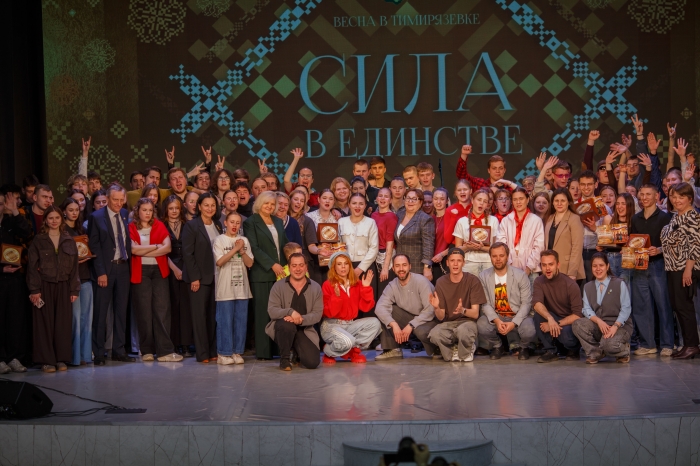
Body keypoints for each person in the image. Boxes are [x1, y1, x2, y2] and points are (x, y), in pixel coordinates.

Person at [27, 206, 80, 372]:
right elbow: (31, 267)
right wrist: (34, 290)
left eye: (57, 217)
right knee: (45, 324)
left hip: (64, 285)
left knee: (62, 324)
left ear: (61, 219)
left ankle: (61, 359)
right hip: (44, 285)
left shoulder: (68, 239)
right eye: (50, 218)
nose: (54, 221)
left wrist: (74, 290)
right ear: (45, 220)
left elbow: (75, 267)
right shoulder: (39, 240)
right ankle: (47, 361)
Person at [88, 185, 134, 365]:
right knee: (101, 312)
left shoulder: (125, 214)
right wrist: (101, 272)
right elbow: (95, 246)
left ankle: (119, 350)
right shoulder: (96, 217)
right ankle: (99, 352)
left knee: (121, 311)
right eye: (115, 199)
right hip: (105, 270)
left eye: (121, 200)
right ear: (107, 199)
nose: (118, 203)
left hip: (123, 268)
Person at [243, 191, 289, 360]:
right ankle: (264, 352)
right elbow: (254, 248)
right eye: (266, 203)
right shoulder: (250, 222)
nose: (269, 206)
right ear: (259, 204)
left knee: (278, 313)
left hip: (280, 273)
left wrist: (291, 258)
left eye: (272, 204)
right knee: (263, 313)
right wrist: (272, 264)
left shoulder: (278, 221)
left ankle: (277, 349)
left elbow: (284, 244)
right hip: (262, 273)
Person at [630, 184, 674, 356]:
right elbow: (634, 243)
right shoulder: (636, 218)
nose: (645, 197)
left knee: (663, 305)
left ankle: (667, 344)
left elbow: (673, 244)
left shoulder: (665, 217)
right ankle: (648, 344)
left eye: (648, 194)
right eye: (642, 194)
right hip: (639, 267)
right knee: (642, 306)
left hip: (658, 265)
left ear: (656, 196)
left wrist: (659, 250)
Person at [661, 183, 700, 360]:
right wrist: (658, 249)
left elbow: (695, 245)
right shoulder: (677, 216)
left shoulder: (693, 217)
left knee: (684, 307)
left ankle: (692, 345)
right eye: (674, 197)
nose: (676, 200)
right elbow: (674, 242)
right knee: (678, 306)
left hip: (685, 268)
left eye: (681, 197)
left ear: (690, 198)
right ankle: (688, 344)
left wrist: (688, 270)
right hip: (673, 267)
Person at [477, 243, 536, 360]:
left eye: (501, 255)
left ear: (507, 256)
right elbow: (485, 303)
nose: (498, 259)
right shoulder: (483, 276)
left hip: (517, 314)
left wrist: (514, 323)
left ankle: (523, 347)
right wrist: (497, 321)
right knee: (481, 324)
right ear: (490, 257)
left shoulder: (520, 275)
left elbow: (526, 303)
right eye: (494, 256)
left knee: (529, 329)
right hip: (498, 315)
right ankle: (497, 346)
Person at [182, 193, 222, 363]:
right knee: (199, 317)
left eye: (213, 205)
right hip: (198, 279)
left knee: (213, 316)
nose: (210, 208)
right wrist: (195, 278)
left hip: (216, 277)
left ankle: (212, 351)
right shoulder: (191, 226)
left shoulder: (218, 225)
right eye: (206, 205)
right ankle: (202, 353)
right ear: (199, 206)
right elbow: (188, 254)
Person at [320, 252, 380, 364]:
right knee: (348, 341)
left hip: (350, 324)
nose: (343, 267)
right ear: (334, 267)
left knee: (375, 323)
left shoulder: (356, 283)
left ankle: (353, 351)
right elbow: (328, 313)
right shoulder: (328, 285)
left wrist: (366, 288)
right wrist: (336, 298)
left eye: (346, 263)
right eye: (339, 264)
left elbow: (365, 308)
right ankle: (329, 351)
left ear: (349, 266)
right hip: (331, 325)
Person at [266, 253, 323, 371]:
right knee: (287, 326)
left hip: (304, 329)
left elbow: (317, 314)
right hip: (283, 327)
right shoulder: (278, 286)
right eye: (294, 265)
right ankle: (285, 359)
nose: (298, 269)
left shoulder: (316, 287)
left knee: (312, 363)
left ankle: (296, 352)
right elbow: (272, 311)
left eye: (301, 265)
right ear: (289, 267)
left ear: (306, 267)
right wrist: (290, 312)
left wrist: (299, 319)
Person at [374, 254, 438, 360]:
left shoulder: (421, 281)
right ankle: (393, 349)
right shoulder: (392, 285)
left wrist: (411, 325)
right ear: (393, 269)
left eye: (404, 265)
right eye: (397, 266)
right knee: (387, 312)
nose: (401, 269)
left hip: (429, 320)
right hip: (411, 317)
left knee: (420, 331)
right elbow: (380, 307)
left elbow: (430, 310)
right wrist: (393, 324)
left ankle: (437, 348)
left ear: (410, 266)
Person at [572, 253, 633, 364]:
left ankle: (624, 351)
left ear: (607, 266)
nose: (598, 269)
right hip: (600, 325)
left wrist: (615, 326)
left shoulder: (619, 284)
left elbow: (626, 308)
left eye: (601, 265)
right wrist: (598, 321)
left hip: (619, 326)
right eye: (595, 266)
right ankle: (596, 353)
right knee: (577, 324)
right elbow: (586, 309)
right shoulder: (587, 286)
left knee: (608, 345)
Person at [428, 248, 486, 362]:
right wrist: (436, 307)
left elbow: (475, 314)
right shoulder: (441, 282)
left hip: (468, 322)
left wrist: (462, 310)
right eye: (452, 260)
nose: (455, 264)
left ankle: (467, 349)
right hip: (449, 323)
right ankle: (454, 349)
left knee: (463, 331)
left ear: (463, 263)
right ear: (447, 263)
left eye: (459, 261)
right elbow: (441, 316)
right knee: (434, 334)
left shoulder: (473, 280)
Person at [213, 211, 254, 365]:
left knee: (240, 322)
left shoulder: (244, 240)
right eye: (232, 222)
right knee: (225, 321)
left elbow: (249, 263)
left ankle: (237, 351)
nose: (235, 225)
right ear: (226, 223)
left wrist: (242, 250)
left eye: (237, 223)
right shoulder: (219, 240)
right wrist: (236, 249)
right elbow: (219, 262)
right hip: (225, 289)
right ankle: (224, 353)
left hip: (242, 288)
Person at [0, 190, 32, 374]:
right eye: (0, 204)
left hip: (14, 278)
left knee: (15, 319)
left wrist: (14, 211)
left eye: (4, 203)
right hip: (0, 277)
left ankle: (14, 357)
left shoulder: (12, 222)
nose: (2, 207)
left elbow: (27, 233)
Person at [532, 250, 583, 363]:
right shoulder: (539, 281)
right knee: (538, 316)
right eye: (544, 265)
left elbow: (578, 315)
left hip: (568, 323)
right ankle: (550, 351)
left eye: (551, 264)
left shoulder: (570, 284)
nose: (547, 268)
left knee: (565, 334)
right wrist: (550, 319)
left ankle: (573, 350)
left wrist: (555, 324)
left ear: (558, 265)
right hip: (553, 318)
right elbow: (537, 304)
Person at [60, 198, 93, 366]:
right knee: (74, 319)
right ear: (64, 212)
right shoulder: (61, 231)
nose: (74, 212)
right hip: (71, 279)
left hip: (85, 275)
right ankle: (73, 356)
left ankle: (85, 355)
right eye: (70, 209)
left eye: (76, 210)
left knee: (86, 319)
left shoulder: (82, 228)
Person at [162, 196, 193, 357]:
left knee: (186, 308)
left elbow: (190, 250)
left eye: (176, 208)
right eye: (171, 208)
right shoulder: (161, 226)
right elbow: (162, 252)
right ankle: (174, 344)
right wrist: (175, 269)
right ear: (166, 210)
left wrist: (185, 270)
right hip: (169, 269)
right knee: (172, 307)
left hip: (186, 268)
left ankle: (186, 344)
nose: (174, 211)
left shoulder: (188, 225)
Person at [496, 187, 544, 286]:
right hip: (508, 269)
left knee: (530, 296)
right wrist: (509, 266)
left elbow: (539, 247)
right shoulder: (506, 221)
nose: (518, 202)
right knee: (508, 296)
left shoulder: (536, 220)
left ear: (527, 200)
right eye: (515, 199)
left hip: (531, 270)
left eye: (521, 199)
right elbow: (501, 245)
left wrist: (528, 268)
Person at [338, 194, 379, 298]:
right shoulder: (341, 222)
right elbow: (338, 246)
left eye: (361, 204)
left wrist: (360, 269)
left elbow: (374, 248)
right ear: (349, 205)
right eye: (354, 203)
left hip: (366, 266)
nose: (357, 206)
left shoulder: (370, 222)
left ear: (365, 206)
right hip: (346, 267)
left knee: (367, 299)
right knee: (349, 300)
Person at [453, 188, 499, 276]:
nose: (481, 203)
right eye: (479, 200)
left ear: (487, 205)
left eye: (485, 201)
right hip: (468, 263)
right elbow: (457, 249)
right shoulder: (462, 221)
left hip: (488, 263)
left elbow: (496, 249)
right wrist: (467, 247)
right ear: (472, 200)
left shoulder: (493, 220)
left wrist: (482, 248)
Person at [543, 188, 585, 281]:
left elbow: (577, 248)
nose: (559, 203)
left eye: (563, 201)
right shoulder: (549, 218)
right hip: (551, 269)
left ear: (568, 202)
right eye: (556, 201)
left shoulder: (574, 219)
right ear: (552, 203)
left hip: (567, 269)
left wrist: (572, 272)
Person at [395, 189, 435, 281]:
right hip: (400, 266)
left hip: (417, 267)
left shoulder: (425, 219)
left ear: (420, 202)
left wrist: (427, 268)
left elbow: (428, 246)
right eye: (408, 198)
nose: (410, 201)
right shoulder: (399, 215)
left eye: (414, 199)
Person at [599, 193, 635, 287]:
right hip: (609, 258)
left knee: (624, 289)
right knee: (611, 290)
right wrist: (600, 246)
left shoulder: (635, 222)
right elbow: (602, 242)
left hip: (626, 259)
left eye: (623, 204)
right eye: (618, 203)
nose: (620, 207)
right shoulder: (608, 219)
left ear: (630, 205)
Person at [288, 188, 323, 283]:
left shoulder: (307, 221)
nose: (298, 203)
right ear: (289, 200)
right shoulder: (282, 219)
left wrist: (319, 251)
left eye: (302, 201)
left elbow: (311, 245)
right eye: (296, 199)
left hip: (304, 261)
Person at [371, 187, 398, 296]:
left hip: (385, 256)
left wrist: (385, 268)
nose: (382, 199)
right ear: (376, 198)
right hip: (374, 255)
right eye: (380, 196)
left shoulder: (391, 217)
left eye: (386, 196)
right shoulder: (373, 215)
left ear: (390, 200)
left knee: (384, 291)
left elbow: (390, 243)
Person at [430, 187, 450, 283]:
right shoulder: (430, 219)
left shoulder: (451, 218)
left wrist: (442, 254)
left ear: (447, 201)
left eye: (442, 199)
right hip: (432, 262)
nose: (438, 202)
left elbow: (456, 243)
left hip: (446, 260)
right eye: (436, 199)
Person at [443, 179, 472, 246]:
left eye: (465, 189)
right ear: (455, 193)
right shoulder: (449, 210)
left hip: (474, 246)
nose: (462, 192)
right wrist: (453, 218)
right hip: (456, 247)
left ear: (470, 191)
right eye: (459, 190)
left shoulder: (476, 208)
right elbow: (448, 239)